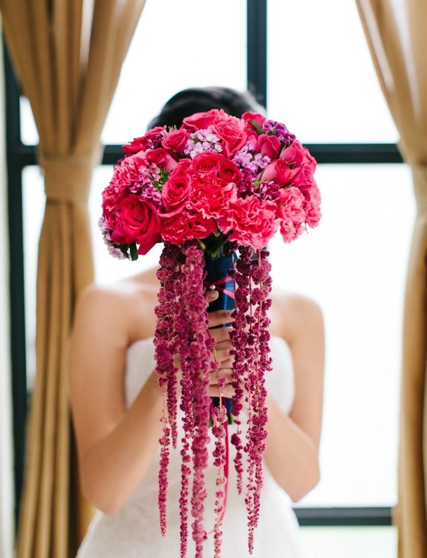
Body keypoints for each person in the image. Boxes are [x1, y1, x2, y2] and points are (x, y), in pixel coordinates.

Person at [70, 86, 325, 557]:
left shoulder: (301, 313)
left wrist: (247, 381)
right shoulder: (108, 305)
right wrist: (171, 375)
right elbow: (105, 491)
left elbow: (303, 481)